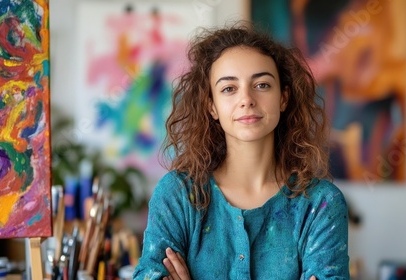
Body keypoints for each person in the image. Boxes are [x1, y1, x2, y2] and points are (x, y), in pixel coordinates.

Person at [133, 24, 349, 280]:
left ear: (283, 98)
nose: (246, 99)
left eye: (262, 85)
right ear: (211, 106)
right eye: (228, 88)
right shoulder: (178, 196)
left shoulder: (321, 204)